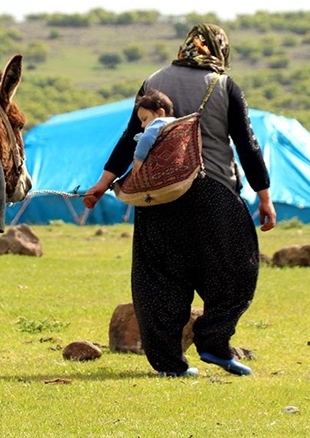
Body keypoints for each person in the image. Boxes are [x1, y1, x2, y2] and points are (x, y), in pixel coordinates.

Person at [83, 24, 277, 378]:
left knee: (158, 277)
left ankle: (170, 363)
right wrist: (264, 197)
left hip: (158, 195)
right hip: (213, 191)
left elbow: (132, 137)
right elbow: (247, 144)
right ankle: (214, 342)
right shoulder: (223, 86)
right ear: (219, 51)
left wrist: (102, 183)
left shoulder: (152, 80)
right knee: (236, 269)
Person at [130, 89, 174, 174]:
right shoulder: (175, 122)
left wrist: (137, 164)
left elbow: (146, 138)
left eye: (144, 119)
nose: (142, 125)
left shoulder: (159, 122)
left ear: (160, 113)